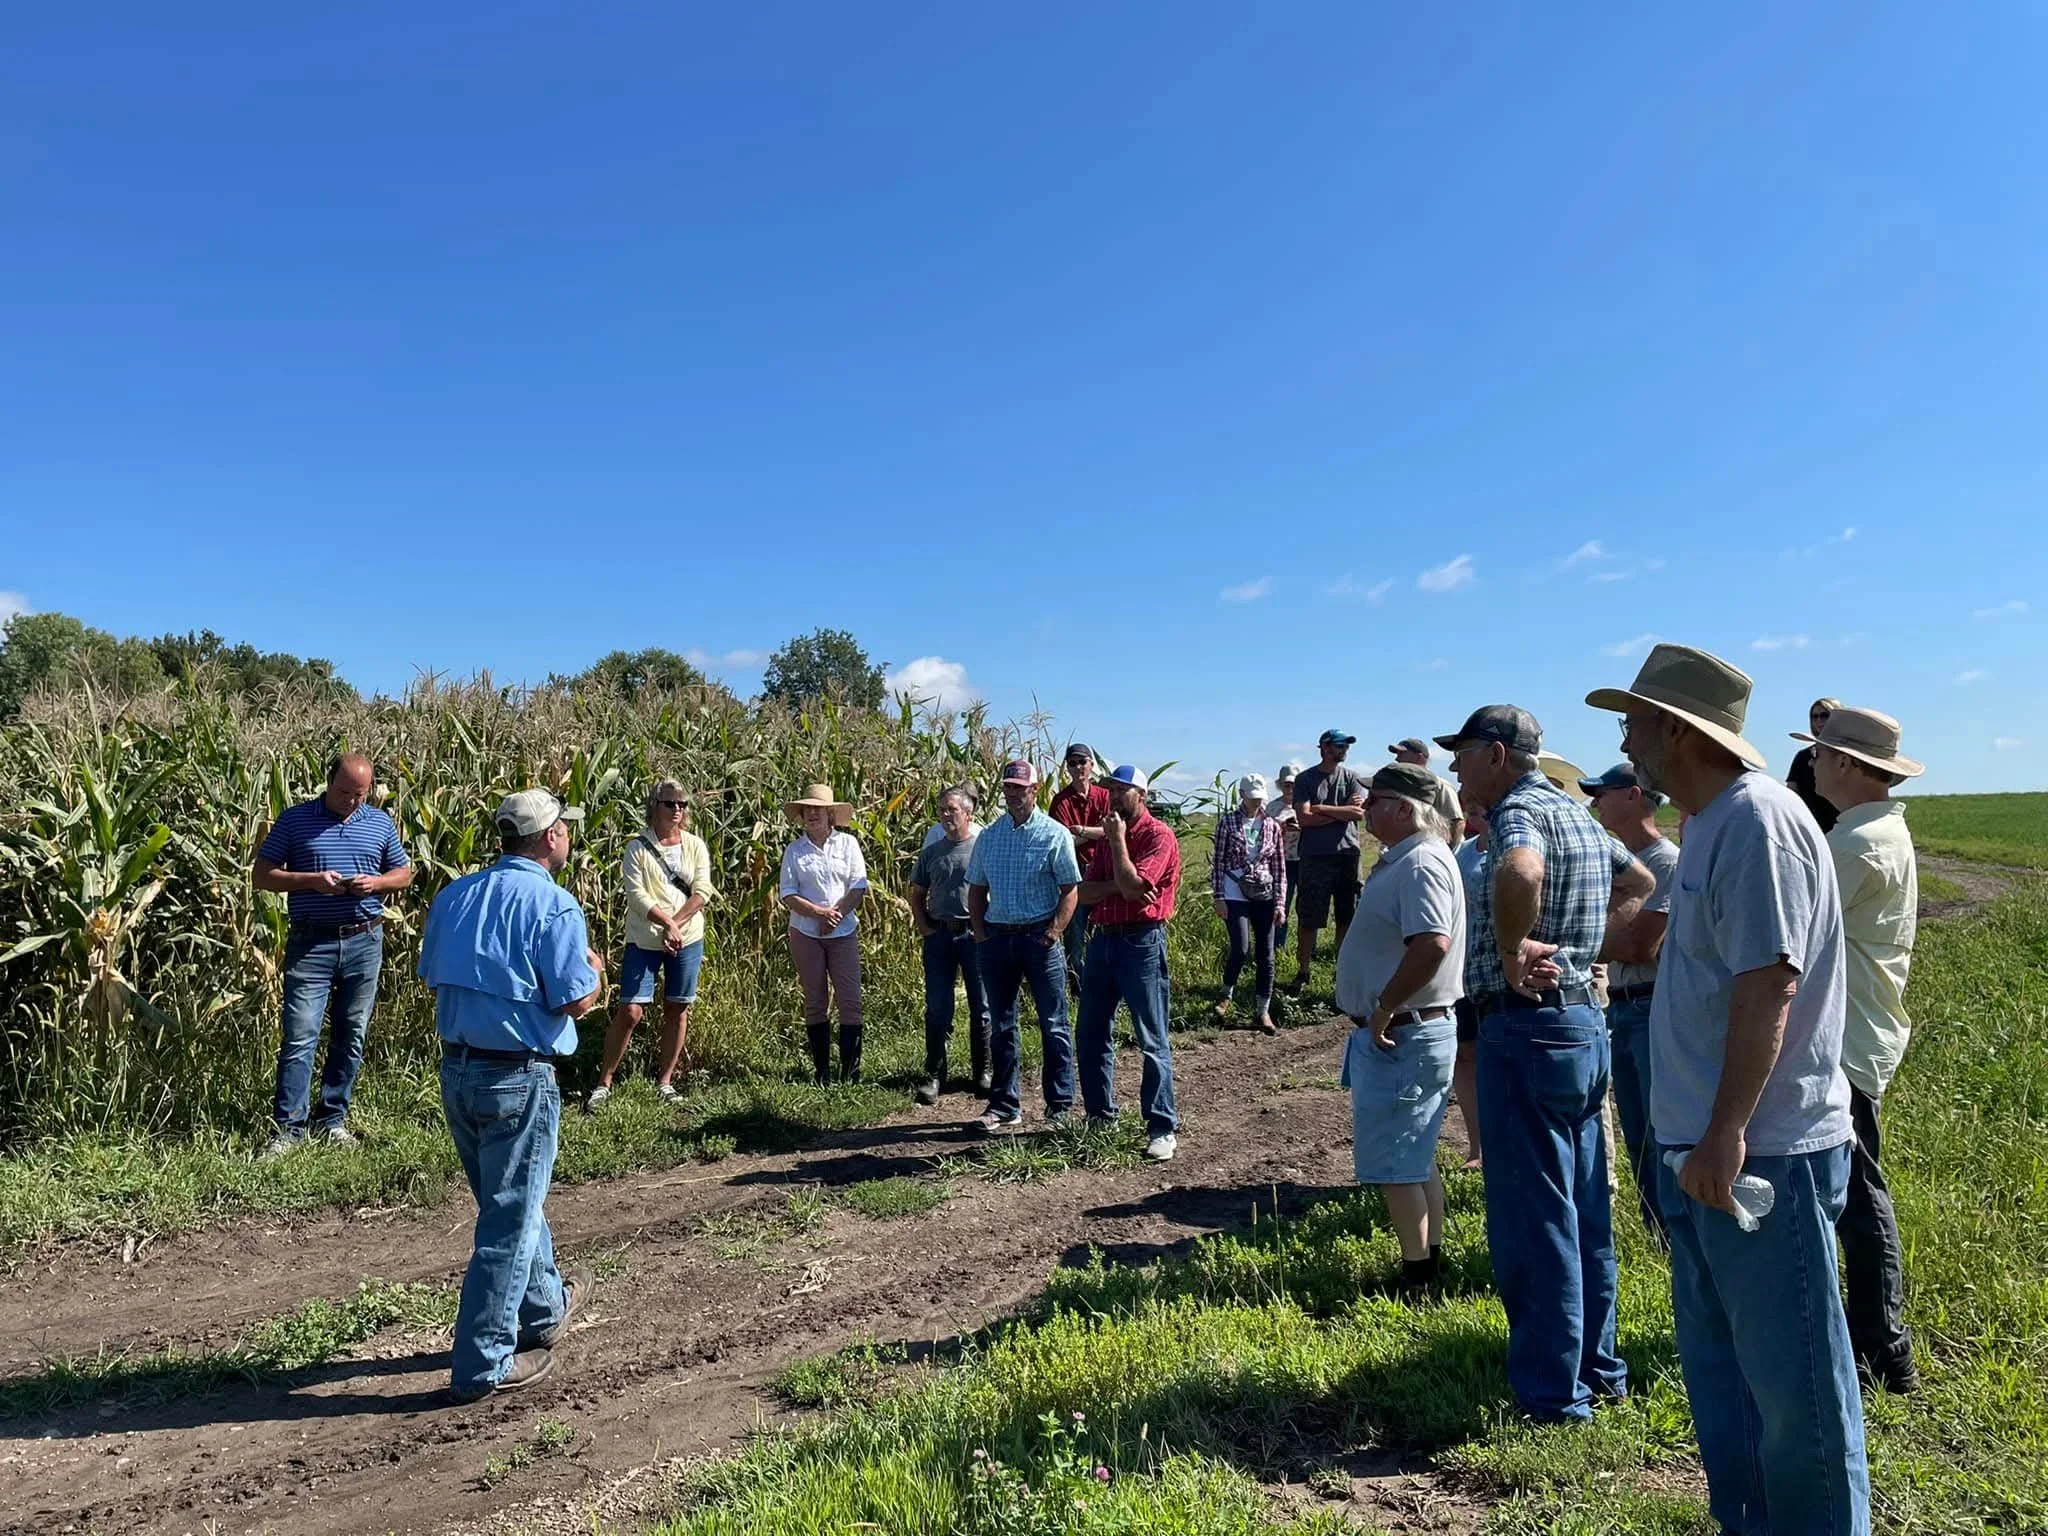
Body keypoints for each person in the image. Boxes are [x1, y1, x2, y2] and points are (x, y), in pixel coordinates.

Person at [1588, 643, 1868, 1534]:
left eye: (1634, 722)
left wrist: (1725, 1133)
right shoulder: (1712, 822)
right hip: (1705, 1151)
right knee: (1727, 1383)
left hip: (1762, 1154)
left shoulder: (1757, 820)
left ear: (1677, 728)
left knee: (1797, 1397)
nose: (1627, 742)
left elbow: (1768, 982)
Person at [1438, 704, 1654, 1423]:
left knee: (1536, 1217)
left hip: (1526, 1028)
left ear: (1496, 754)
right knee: (1585, 1206)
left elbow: (1522, 869)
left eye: (1463, 753)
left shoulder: (1518, 815)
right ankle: (1602, 1369)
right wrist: (1586, 947)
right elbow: (1637, 885)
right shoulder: (1579, 816)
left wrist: (1512, 947)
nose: (1455, 766)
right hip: (1583, 1024)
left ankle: (1554, 1396)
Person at [418, 789, 601, 1401]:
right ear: (549, 838)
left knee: (511, 1203)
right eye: (564, 829)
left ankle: (545, 1308)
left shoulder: (454, 896)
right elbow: (573, 998)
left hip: (457, 1071)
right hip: (519, 1076)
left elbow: (432, 974)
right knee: (509, 1220)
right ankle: (483, 1361)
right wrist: (595, 974)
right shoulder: (554, 906)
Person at [1797, 705, 1925, 1395]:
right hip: (1861, 1032)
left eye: (1819, 753)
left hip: (1845, 1039)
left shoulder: (1852, 847)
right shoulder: (1872, 833)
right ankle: (1872, 1335)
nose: (1812, 763)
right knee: (1856, 1186)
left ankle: (1883, 1347)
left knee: (1858, 1192)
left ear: (1846, 763)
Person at [1336, 764, 1467, 1290]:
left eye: (1376, 801)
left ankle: (1417, 1277)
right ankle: (1429, 1259)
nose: (1366, 809)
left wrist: (1386, 1005)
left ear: (1405, 809)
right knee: (1414, 1156)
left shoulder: (1420, 864)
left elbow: (1431, 941)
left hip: (1404, 1032)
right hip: (1410, 1030)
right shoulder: (1414, 858)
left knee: (1398, 1162)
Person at [252, 752, 415, 1156]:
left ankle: (332, 1119)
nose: (352, 801)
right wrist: (311, 882)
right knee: (300, 1035)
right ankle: (289, 1129)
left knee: (351, 1034)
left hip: (364, 941)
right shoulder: (295, 820)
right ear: (328, 783)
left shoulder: (378, 822)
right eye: (344, 792)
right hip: (312, 943)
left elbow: (404, 872)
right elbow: (262, 874)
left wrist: (376, 884)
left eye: (360, 794)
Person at [1580, 762, 1679, 1244]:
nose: (1595, 801)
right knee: (1637, 1133)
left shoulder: (1666, 863)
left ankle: (1673, 1235)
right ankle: (1659, 1234)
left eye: (1604, 792)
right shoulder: (1616, 863)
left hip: (1650, 1005)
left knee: (1660, 1131)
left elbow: (1641, 947)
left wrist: (1579, 938)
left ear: (1635, 796)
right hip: (1619, 1005)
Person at [1075, 765, 1183, 1161]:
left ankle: (1162, 1126)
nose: (1114, 797)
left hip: (1142, 942)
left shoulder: (1158, 836)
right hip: (1104, 940)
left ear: (1143, 795)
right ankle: (1100, 1116)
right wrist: (1118, 885)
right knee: (1090, 1033)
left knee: (1151, 1037)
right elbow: (1085, 893)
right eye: (1111, 791)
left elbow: (1138, 890)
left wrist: (1118, 844)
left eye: (1123, 791)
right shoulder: (1106, 838)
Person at [967, 759, 1081, 1132]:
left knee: (1053, 1024)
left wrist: (1053, 932)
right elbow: (977, 890)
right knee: (1001, 1025)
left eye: (1021, 787)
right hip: (998, 938)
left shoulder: (1055, 834)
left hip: (1039, 938)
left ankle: (1059, 1106)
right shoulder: (990, 836)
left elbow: (1070, 891)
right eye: (1009, 787)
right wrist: (982, 934)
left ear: (1036, 789)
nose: (1013, 793)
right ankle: (1004, 1105)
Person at [589, 780, 717, 1107]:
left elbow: (702, 891)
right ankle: (604, 1082)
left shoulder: (695, 846)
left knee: (678, 1007)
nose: (677, 810)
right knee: (630, 1010)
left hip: (686, 939)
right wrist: (667, 924)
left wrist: (677, 926)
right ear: (655, 806)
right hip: (645, 939)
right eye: (670, 804)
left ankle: (665, 1081)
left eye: (682, 804)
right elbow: (636, 895)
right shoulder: (637, 848)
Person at [778, 783, 870, 1084]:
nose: (812, 814)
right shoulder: (794, 850)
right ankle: (822, 1072)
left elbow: (858, 884)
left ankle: (850, 1072)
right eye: (807, 810)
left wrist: (836, 914)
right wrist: (819, 914)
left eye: (818, 810)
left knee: (850, 1000)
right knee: (816, 1000)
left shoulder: (848, 844)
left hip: (843, 931)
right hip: (806, 932)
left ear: (831, 814)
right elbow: (788, 894)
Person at [909, 785, 992, 1106]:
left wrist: (986, 930)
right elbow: (916, 893)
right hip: (940, 936)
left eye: (952, 810)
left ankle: (983, 1071)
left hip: (976, 935)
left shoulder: (982, 849)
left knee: (982, 1007)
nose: (945, 815)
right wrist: (925, 928)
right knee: (938, 1008)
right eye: (942, 809)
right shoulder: (931, 852)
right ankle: (934, 1074)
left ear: (968, 814)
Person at [1290, 729, 1369, 992]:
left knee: (1347, 916)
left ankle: (1342, 970)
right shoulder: (1305, 779)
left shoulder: (1352, 778)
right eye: (1339, 745)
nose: (1344, 749)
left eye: (1346, 745)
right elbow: (1304, 819)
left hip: (1348, 855)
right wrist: (1341, 812)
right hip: (1315, 857)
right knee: (1309, 917)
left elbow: (1357, 814)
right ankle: (1303, 971)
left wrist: (1321, 808)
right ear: (1324, 747)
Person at [1210, 772, 1287, 1034]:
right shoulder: (1228, 823)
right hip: (1234, 890)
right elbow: (1218, 862)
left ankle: (1262, 1010)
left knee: (1267, 953)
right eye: (1252, 798)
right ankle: (1226, 994)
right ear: (1242, 795)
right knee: (1240, 947)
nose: (1256, 803)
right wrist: (1218, 897)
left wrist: (1280, 902)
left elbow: (1279, 866)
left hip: (1263, 892)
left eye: (1259, 798)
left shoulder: (1272, 826)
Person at [1048, 743, 1112, 996]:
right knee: (1075, 935)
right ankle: (1079, 989)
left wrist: (1082, 830)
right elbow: (1062, 840)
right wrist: (1099, 832)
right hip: (1073, 873)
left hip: (1103, 870)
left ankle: (1106, 986)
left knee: (1105, 929)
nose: (1078, 767)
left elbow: (1113, 830)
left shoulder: (1105, 796)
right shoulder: (1060, 801)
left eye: (1082, 762)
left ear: (1091, 764)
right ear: (1067, 767)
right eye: (1072, 763)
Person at [1450, 801, 1489, 1170]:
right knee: (1465, 1055)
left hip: (1495, 973)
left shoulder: (1512, 847)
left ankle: (1500, 1139)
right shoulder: (1462, 853)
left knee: (1494, 1056)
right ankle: (1477, 1145)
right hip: (1463, 971)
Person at [1388, 737, 1466, 849]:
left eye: (1402, 754)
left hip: (1435, 853)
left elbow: (1457, 823)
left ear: (1419, 757)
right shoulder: (1400, 787)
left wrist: (1449, 853)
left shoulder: (1440, 786)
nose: (1397, 759)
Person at [1786, 696, 1844, 833]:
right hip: (1810, 827)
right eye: (1814, 716)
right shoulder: (1803, 757)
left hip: (1843, 827)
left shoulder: (1850, 756)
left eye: (1825, 715)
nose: (1819, 721)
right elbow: (1791, 795)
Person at [1271, 762, 1303, 951]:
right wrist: (1281, 829)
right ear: (1280, 785)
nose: (1290, 788)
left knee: (1306, 906)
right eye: (1286, 784)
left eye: (1293, 784)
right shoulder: (1272, 808)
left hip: (1304, 859)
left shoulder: (1306, 805)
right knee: (1282, 904)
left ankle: (1306, 947)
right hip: (1281, 862)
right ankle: (1278, 946)